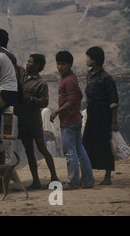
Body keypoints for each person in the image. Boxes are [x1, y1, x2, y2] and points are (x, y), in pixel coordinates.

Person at [50, 51, 94, 190]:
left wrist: (57, 111)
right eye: (58, 64)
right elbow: (79, 95)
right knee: (80, 150)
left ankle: (73, 182)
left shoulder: (68, 80)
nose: (60, 67)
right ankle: (88, 181)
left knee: (70, 152)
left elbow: (71, 100)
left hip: (68, 120)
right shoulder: (71, 77)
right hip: (74, 117)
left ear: (70, 65)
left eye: (63, 64)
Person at [14, 54, 59, 189]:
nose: (27, 64)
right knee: (28, 151)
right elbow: (14, 63)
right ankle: (36, 181)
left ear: (37, 65)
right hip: (22, 119)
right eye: (27, 61)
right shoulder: (22, 74)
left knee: (42, 148)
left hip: (33, 120)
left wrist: (31, 99)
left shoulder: (41, 84)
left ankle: (54, 177)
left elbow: (44, 102)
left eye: (30, 62)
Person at [83, 46, 119, 185]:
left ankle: (108, 176)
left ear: (95, 60)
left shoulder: (106, 78)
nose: (86, 59)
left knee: (104, 144)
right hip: (91, 114)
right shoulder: (89, 75)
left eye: (88, 57)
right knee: (87, 143)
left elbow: (113, 101)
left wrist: (114, 121)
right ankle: (87, 174)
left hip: (103, 115)